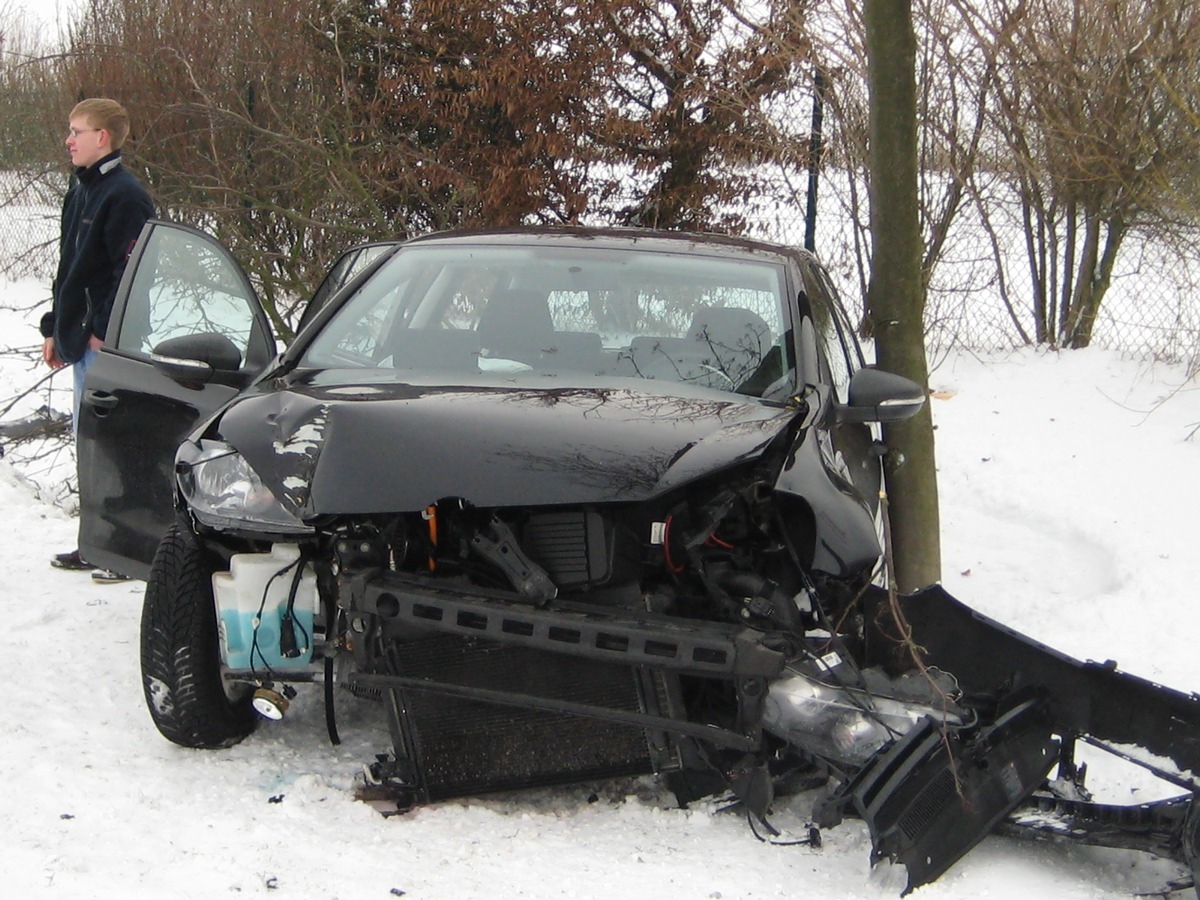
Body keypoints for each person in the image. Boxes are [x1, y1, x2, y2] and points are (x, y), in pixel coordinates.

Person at [42, 98, 154, 581]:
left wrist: (103, 333)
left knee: (119, 446)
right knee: (91, 445)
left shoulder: (126, 196)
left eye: (77, 131)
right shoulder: (82, 189)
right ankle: (97, 542)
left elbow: (130, 273)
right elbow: (71, 268)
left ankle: (126, 549)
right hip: (80, 341)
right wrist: (55, 326)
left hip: (109, 346)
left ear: (102, 138)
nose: (69, 140)